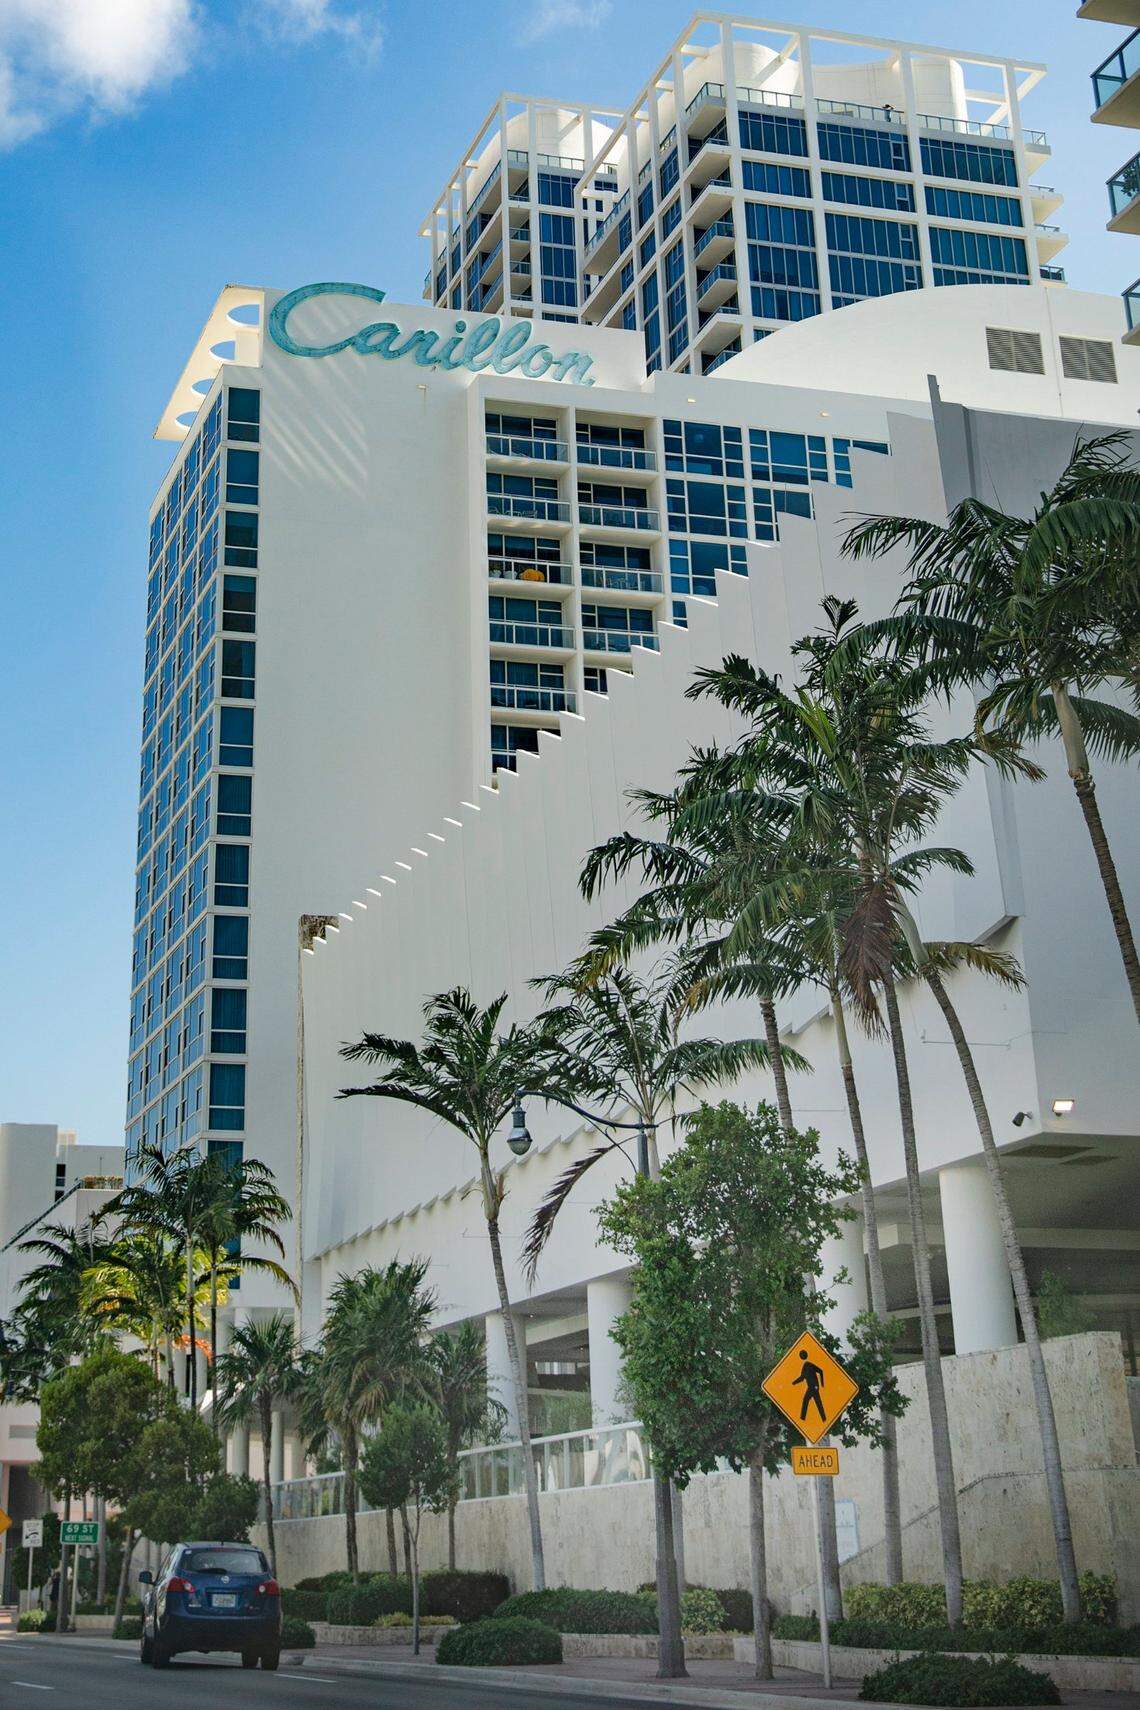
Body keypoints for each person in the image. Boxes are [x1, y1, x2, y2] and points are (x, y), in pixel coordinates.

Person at [792, 1347, 827, 1424]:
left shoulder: (807, 1365)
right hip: (813, 1387)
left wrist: (822, 1384)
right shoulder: (807, 1364)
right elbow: (802, 1378)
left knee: (808, 1401)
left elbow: (802, 1377)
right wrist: (793, 1383)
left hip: (813, 1387)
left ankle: (803, 1419)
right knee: (815, 1402)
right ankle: (823, 1419)